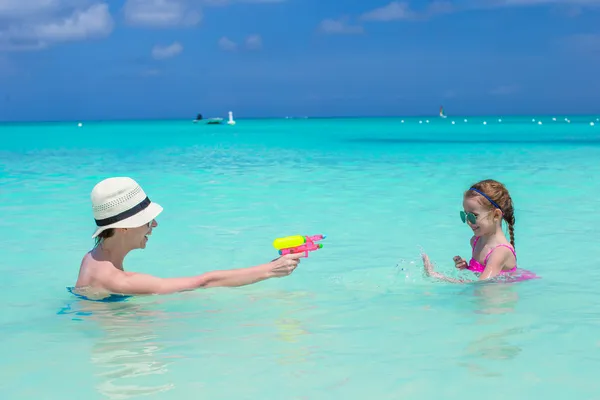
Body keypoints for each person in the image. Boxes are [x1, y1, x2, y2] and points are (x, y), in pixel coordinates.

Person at [72, 177, 304, 300]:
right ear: (124, 228)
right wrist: (271, 270)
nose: (154, 224)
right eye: (147, 220)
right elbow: (204, 282)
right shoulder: (120, 281)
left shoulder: (92, 259)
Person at [422, 179, 523, 283]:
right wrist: (466, 269)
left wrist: (437, 276)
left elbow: (481, 284)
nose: (468, 222)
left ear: (496, 215)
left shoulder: (500, 252)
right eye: (465, 215)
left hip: (501, 297)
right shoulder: (476, 241)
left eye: (473, 216)